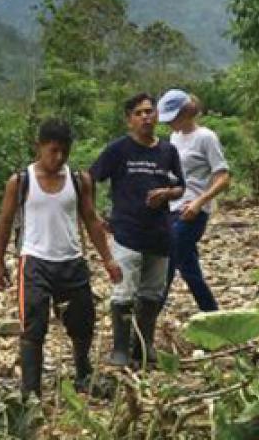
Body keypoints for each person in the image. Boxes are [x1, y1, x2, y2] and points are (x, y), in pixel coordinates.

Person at [0, 119, 121, 397]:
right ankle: (30, 391)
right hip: (34, 262)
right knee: (33, 327)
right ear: (39, 147)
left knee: (83, 322)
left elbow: (90, 219)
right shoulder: (20, 181)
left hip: (72, 260)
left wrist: (108, 259)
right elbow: (4, 222)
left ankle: (83, 373)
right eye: (53, 151)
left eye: (64, 151)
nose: (59, 157)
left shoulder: (79, 180)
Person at [88, 92, 184, 367]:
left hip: (160, 234)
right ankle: (120, 349)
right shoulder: (118, 150)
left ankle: (144, 346)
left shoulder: (168, 150)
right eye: (140, 113)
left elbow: (180, 187)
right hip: (127, 234)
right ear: (129, 120)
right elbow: (89, 178)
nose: (146, 117)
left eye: (150, 112)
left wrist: (167, 193)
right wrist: (94, 215)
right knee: (123, 294)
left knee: (152, 294)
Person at [159, 89, 229, 312]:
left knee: (167, 261)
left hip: (193, 211)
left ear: (186, 113)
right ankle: (214, 316)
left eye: (173, 118)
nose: (169, 123)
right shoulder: (174, 138)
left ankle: (145, 323)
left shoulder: (206, 137)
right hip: (173, 208)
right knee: (188, 268)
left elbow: (223, 177)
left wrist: (200, 202)